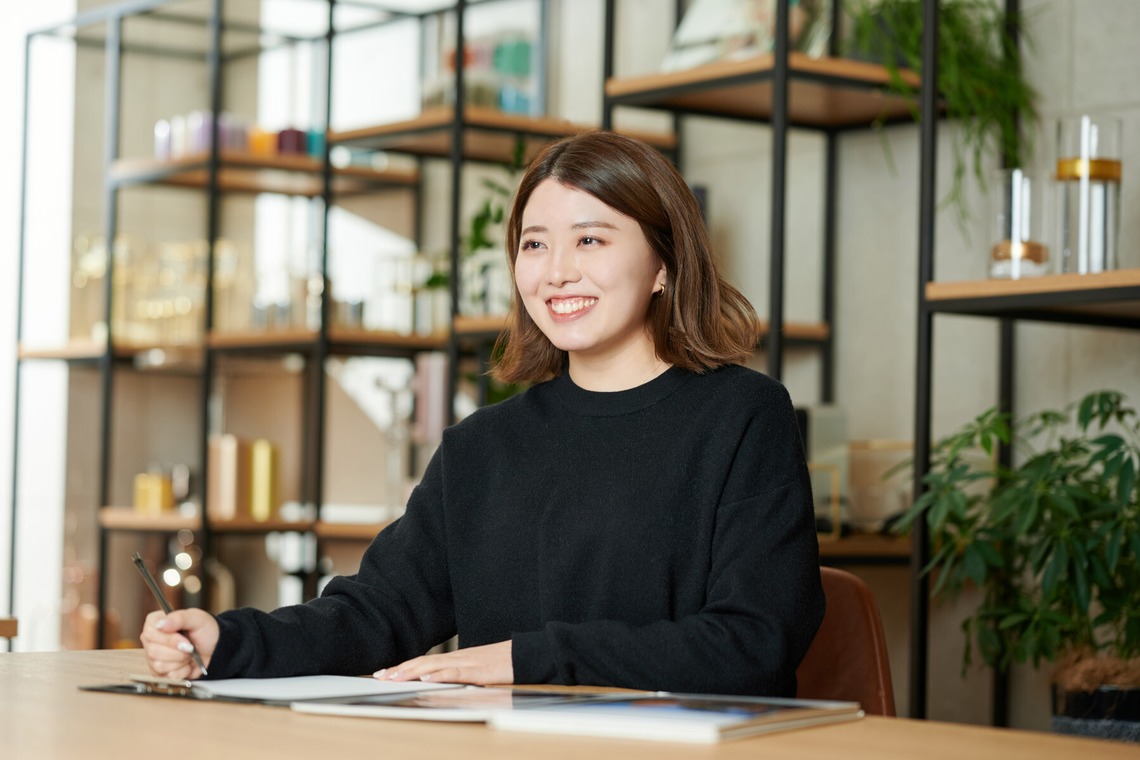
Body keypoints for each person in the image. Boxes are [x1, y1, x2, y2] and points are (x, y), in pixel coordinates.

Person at [141, 130, 825, 697]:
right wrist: (229, 641)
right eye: (534, 243)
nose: (555, 271)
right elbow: (377, 612)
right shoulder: (483, 446)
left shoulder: (742, 416)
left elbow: (753, 641)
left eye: (591, 240)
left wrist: (524, 660)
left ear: (663, 266)